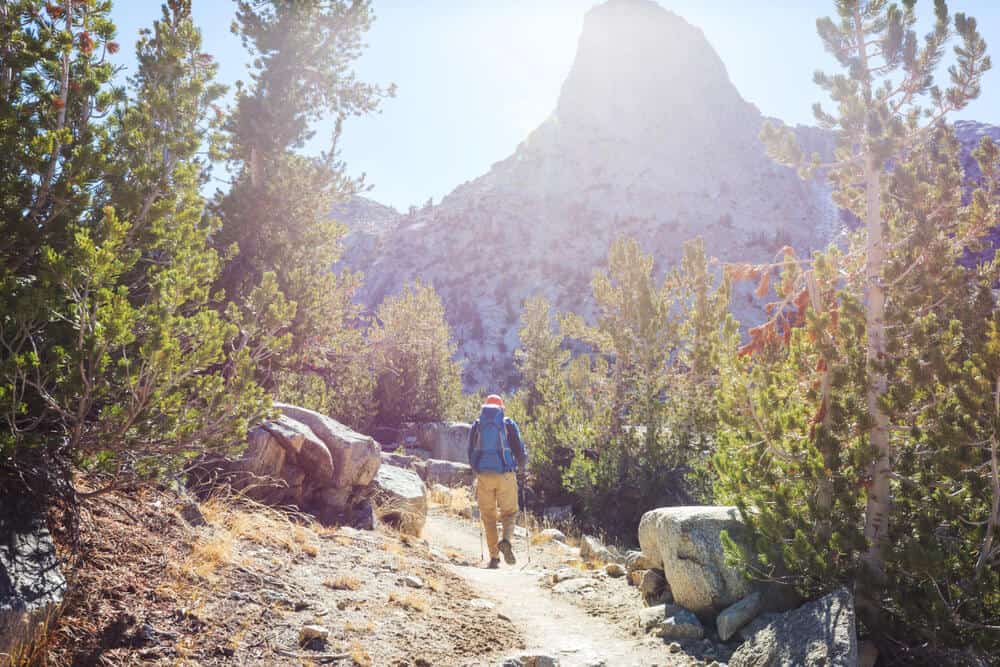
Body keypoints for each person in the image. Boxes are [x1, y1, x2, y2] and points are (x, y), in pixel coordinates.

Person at [468, 394, 527, 568]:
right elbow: (519, 450)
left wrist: (476, 470)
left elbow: (470, 450)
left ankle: (494, 558)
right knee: (509, 512)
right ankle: (506, 541)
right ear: (502, 408)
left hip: (484, 475)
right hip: (505, 475)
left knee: (488, 516)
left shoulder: (477, 425)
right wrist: (521, 468)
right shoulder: (507, 424)